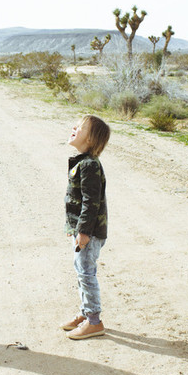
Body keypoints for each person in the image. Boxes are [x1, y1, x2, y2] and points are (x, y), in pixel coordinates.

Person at [61, 115, 111, 340]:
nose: (74, 128)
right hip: (83, 230)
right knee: (81, 271)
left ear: (90, 140)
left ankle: (94, 321)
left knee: (86, 274)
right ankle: (85, 313)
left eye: (80, 128)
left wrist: (83, 231)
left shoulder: (90, 165)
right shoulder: (83, 162)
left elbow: (92, 202)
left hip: (88, 232)